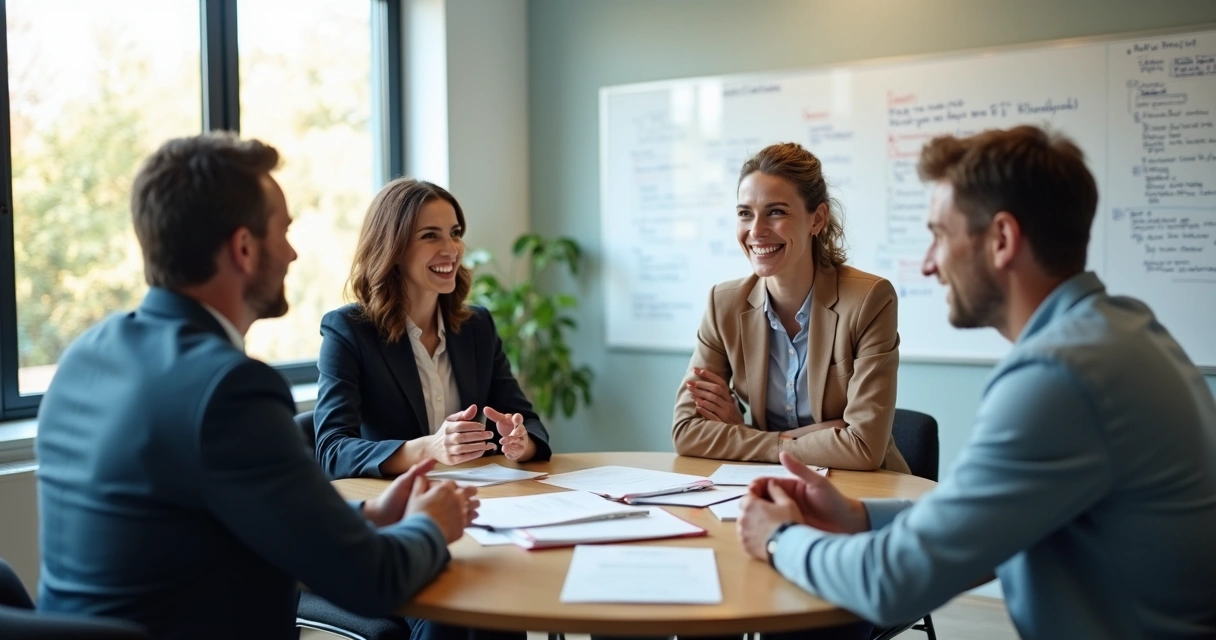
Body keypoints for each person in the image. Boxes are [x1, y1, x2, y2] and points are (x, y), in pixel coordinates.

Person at [737, 126, 1216, 639]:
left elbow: (891, 583)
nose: (928, 264)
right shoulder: (1120, 330)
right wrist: (858, 516)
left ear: (1002, 240)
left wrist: (782, 537)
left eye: (940, 235)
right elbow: (985, 523)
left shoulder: (1057, 378)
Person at [35, 133, 477, 639]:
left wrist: (369, 514)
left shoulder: (86, 355)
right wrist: (431, 524)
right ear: (244, 248)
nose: (291, 253)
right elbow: (372, 582)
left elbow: (210, 516)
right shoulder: (229, 388)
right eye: (282, 231)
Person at [313, 177, 551, 640]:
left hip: (478, 517)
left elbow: (527, 418)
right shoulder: (349, 331)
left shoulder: (475, 326)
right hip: (398, 528)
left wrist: (520, 442)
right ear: (394, 247)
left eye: (456, 232)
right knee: (456, 609)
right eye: (430, 236)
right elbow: (332, 451)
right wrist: (429, 448)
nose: (451, 248)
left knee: (505, 599)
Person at [672, 142, 909, 473]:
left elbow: (864, 447)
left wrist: (743, 436)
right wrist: (791, 440)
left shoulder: (870, 300)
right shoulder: (723, 304)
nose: (756, 231)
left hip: (863, 492)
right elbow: (687, 433)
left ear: (818, 219)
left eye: (776, 212)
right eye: (745, 214)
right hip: (766, 487)